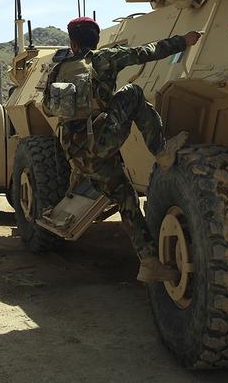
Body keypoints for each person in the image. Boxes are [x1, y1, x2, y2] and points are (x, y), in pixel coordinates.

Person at [43, 17, 201, 283]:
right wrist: (184, 41)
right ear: (97, 39)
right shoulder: (105, 58)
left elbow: (49, 108)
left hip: (76, 153)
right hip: (101, 142)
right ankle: (161, 151)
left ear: (72, 43)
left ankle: (150, 262)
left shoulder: (58, 70)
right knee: (134, 93)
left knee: (126, 198)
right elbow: (148, 52)